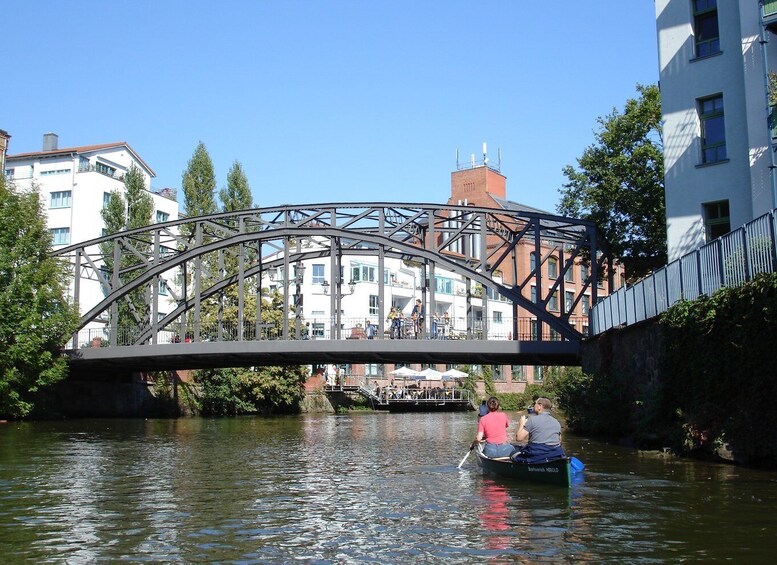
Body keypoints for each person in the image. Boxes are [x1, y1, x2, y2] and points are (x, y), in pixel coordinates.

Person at [513, 397, 565, 463]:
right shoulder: (556, 422)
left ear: (540, 406)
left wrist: (522, 424)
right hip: (553, 455)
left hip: (537, 455)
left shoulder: (532, 420)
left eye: (535, 404)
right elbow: (559, 441)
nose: (534, 406)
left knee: (514, 456)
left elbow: (519, 438)